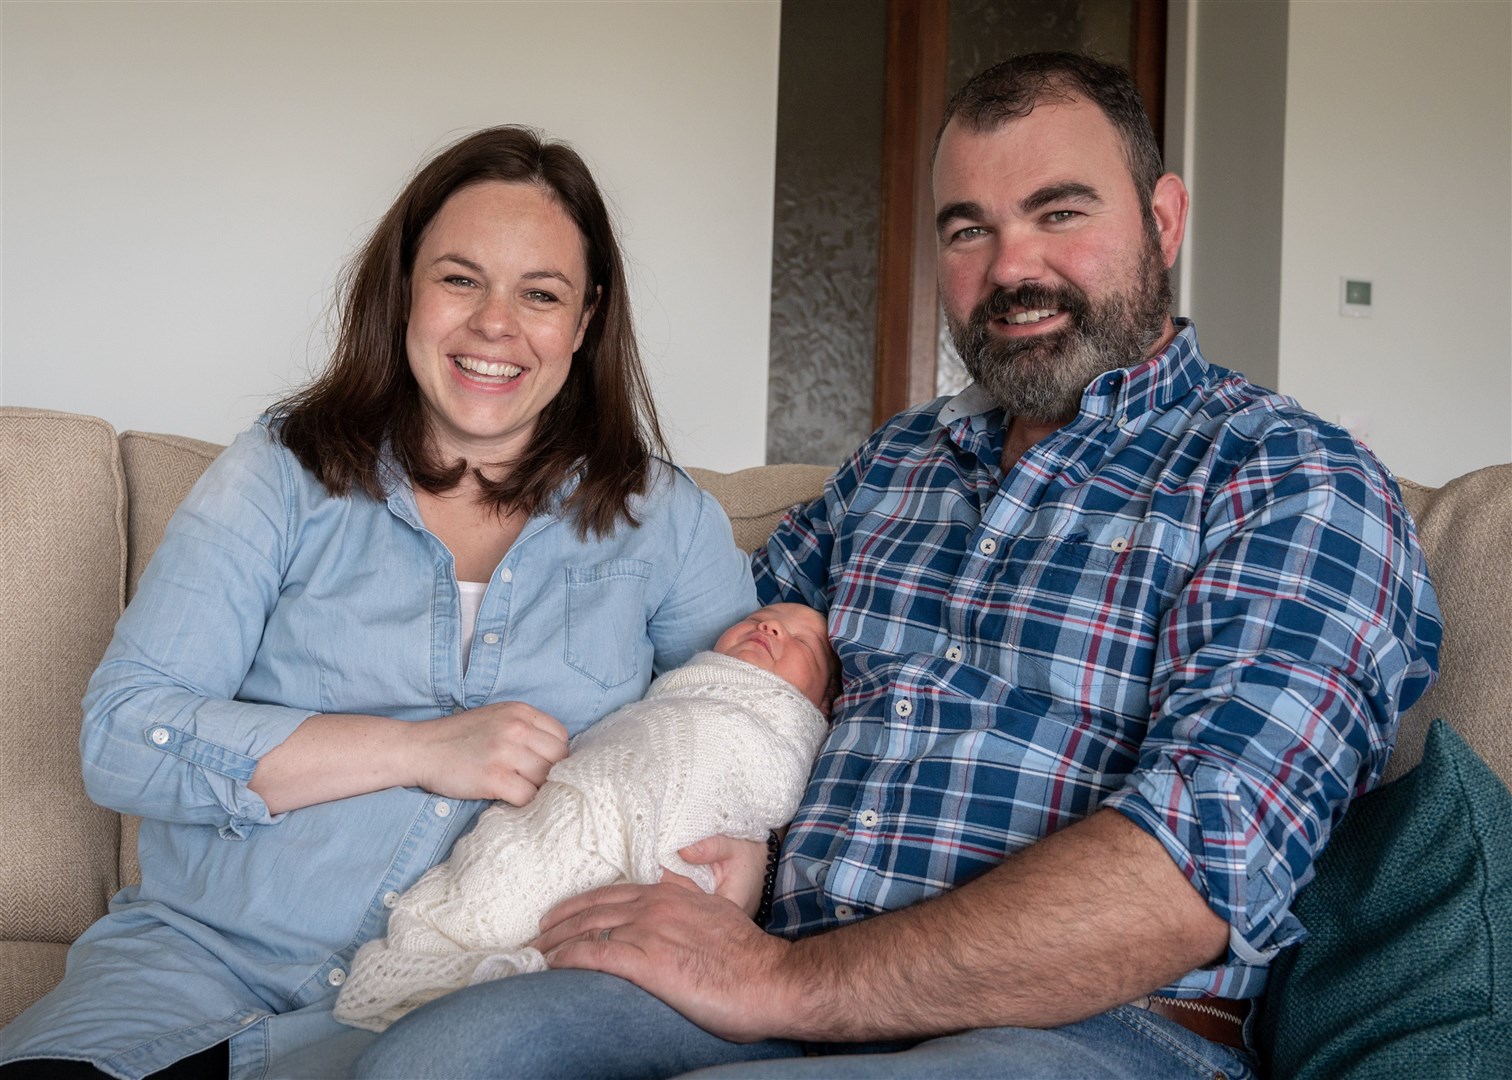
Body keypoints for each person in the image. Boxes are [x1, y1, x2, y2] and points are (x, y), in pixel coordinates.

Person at [354, 53, 1442, 1080]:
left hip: (1082, 1031)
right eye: (968, 230)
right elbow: (714, 673)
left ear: (1163, 220)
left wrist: (785, 979)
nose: (1012, 268)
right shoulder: (898, 463)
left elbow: (1197, 871)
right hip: (759, 989)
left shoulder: (1292, 478)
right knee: (437, 1058)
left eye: (1061, 213)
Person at [0, 126, 758, 1079]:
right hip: (194, 971)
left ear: (587, 319)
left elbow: (742, 729)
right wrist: (418, 749)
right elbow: (121, 736)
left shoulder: (667, 523)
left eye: (541, 293)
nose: (495, 324)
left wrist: (731, 884)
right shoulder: (278, 475)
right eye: (459, 278)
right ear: (403, 289)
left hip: (477, 999)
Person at [334, 601, 839, 1032]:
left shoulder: (786, 730)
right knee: (512, 871)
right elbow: (625, 739)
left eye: (804, 643)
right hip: (575, 802)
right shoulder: (675, 690)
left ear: (822, 704)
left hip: (669, 866)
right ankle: (457, 943)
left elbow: (768, 796)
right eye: (762, 616)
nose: (771, 627)